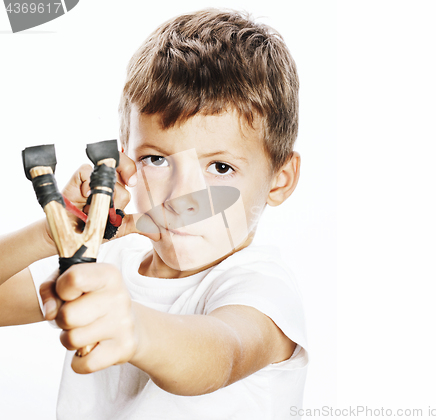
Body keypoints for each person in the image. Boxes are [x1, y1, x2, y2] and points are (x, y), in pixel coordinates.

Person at [0, 8, 307, 419]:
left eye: (220, 168)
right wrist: (54, 233)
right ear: (125, 158)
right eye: (157, 160)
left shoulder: (261, 288)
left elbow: (223, 352)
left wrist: (135, 328)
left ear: (279, 180)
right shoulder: (107, 257)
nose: (183, 196)